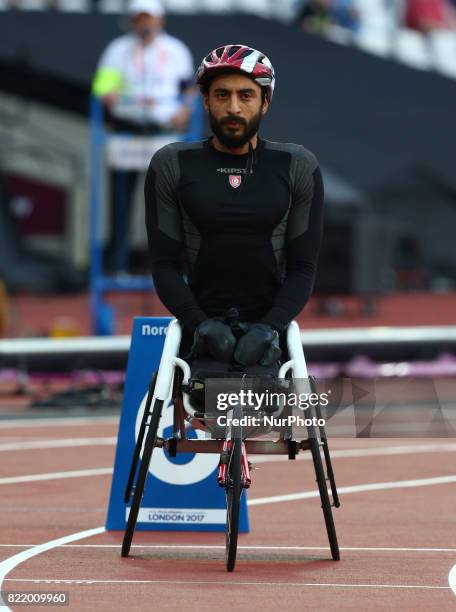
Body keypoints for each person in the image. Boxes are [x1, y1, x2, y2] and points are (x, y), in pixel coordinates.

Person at [145, 44, 325, 369]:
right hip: (200, 335)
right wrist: (198, 324)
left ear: (265, 102)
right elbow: (163, 265)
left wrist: (270, 327)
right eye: (222, 95)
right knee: (212, 402)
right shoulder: (170, 164)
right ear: (206, 101)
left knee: (260, 410)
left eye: (246, 95)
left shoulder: (298, 165)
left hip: (270, 336)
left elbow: (303, 268)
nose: (233, 107)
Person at [92, 0, 195, 274]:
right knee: (121, 202)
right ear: (132, 20)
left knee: (169, 202)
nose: (145, 24)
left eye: (149, 18)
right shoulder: (117, 50)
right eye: (140, 18)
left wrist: (184, 110)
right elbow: (102, 86)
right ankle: (118, 266)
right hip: (128, 132)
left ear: (160, 20)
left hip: (163, 135)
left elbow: (188, 90)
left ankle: (171, 266)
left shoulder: (175, 50)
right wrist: (108, 93)